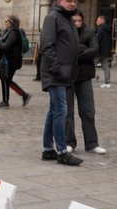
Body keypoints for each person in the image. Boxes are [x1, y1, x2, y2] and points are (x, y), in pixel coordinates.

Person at [40, 0, 82, 166]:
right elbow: (47, 46)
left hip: (65, 73)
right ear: (59, 1)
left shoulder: (68, 19)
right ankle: (62, 152)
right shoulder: (53, 17)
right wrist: (57, 69)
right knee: (61, 111)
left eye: (74, 1)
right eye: (68, 0)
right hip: (56, 73)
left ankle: (48, 149)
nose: (72, 3)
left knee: (54, 111)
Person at [65, 10, 107, 156]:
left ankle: (92, 143)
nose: (76, 23)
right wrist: (82, 50)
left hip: (84, 76)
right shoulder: (65, 32)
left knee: (88, 111)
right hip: (68, 76)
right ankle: (69, 142)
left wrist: (77, 53)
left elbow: (94, 50)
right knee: (67, 112)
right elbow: (64, 51)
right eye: (74, 21)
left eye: (79, 21)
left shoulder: (89, 32)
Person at [0, 16, 30, 108]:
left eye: (7, 21)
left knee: (5, 79)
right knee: (6, 79)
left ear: (12, 23)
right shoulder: (8, 32)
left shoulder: (14, 33)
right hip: (8, 59)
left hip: (10, 60)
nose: (5, 23)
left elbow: (6, 46)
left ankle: (5, 101)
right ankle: (24, 95)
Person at [95, 16, 112, 88]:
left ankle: (89, 78)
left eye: (98, 20)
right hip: (106, 51)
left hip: (100, 51)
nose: (96, 22)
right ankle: (107, 82)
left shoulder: (100, 28)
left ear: (102, 20)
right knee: (105, 66)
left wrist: (93, 48)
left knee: (91, 64)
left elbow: (97, 39)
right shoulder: (108, 28)